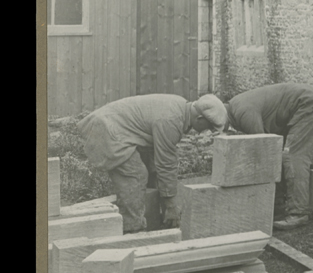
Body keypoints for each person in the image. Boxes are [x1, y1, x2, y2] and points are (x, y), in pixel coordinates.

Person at [79, 94, 228, 232]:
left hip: (116, 128)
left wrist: (167, 200)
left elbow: (159, 162)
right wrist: (171, 206)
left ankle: (148, 219)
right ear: (200, 118)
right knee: (136, 175)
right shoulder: (171, 120)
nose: (206, 132)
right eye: (209, 127)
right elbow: (166, 163)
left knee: (151, 170)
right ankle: (132, 230)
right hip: (105, 129)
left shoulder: (181, 107)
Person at [223, 83, 313, 230]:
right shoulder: (236, 106)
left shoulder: (243, 112)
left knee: (293, 155)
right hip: (295, 107)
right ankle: (279, 206)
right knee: (282, 153)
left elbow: (265, 148)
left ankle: (299, 213)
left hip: (306, 103)